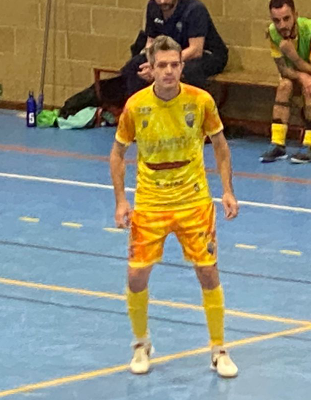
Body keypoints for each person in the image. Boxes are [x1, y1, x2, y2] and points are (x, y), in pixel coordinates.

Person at [109, 35, 239, 378]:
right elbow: (118, 154)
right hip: (150, 201)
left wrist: (227, 191)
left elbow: (221, 147)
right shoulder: (136, 106)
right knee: (136, 275)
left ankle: (219, 349)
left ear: (182, 66)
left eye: (174, 65)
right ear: (150, 68)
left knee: (208, 272)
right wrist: (121, 200)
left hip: (193, 200)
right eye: (162, 65)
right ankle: (141, 344)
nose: (168, 71)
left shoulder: (201, 101)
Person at [122, 0, 228, 99]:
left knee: (188, 70)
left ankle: (194, 105)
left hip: (206, 55)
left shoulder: (195, 9)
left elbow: (196, 50)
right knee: (135, 65)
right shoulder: (152, 6)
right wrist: (151, 64)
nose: (162, 2)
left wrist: (163, 63)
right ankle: (135, 105)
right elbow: (151, 42)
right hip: (170, 53)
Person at [260, 0, 311, 163]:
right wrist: (300, 76)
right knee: (284, 85)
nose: (282, 25)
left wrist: (294, 57)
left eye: (286, 18)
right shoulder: (273, 33)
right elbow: (282, 69)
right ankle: (278, 144)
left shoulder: (309, 31)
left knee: (310, 87)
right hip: (300, 74)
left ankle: (309, 144)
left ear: (295, 15)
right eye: (276, 20)